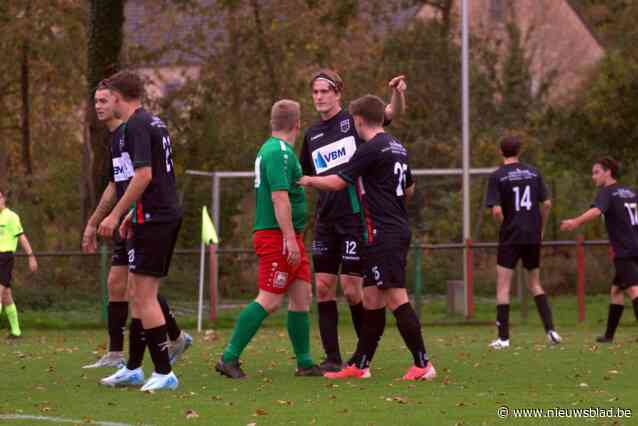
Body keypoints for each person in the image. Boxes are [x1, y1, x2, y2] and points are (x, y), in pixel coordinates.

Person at [298, 94, 436, 381]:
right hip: (388, 228)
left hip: (384, 232)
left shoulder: (371, 148)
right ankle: (360, 365)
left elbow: (337, 182)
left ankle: (423, 364)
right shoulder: (397, 145)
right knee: (372, 299)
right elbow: (409, 188)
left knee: (396, 299)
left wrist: (308, 180)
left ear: (359, 121)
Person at [81, 83, 191, 369]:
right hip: (134, 216)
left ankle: (160, 355)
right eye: (96, 100)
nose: (99, 105)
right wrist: (94, 222)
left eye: (105, 99)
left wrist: (118, 215)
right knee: (125, 285)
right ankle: (123, 359)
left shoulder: (134, 129)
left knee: (141, 290)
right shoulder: (119, 136)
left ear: (118, 99)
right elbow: (115, 184)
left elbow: (142, 177)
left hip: (145, 216)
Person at [216, 99, 322, 379]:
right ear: (298, 124)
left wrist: (293, 237)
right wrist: (288, 238)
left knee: (302, 297)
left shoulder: (279, 150)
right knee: (270, 300)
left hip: (290, 236)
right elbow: (279, 197)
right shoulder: (278, 152)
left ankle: (305, 362)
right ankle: (228, 358)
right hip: (278, 237)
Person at [485, 136, 561, 349]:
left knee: (503, 287)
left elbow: (497, 211)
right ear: (519, 151)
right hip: (532, 236)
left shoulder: (498, 176)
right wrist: (541, 228)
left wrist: (505, 224)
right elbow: (546, 204)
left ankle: (503, 338)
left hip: (511, 236)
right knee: (535, 283)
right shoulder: (534, 172)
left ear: (501, 152)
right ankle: (551, 331)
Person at [561, 157, 638, 343]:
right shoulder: (630, 192)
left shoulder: (607, 192)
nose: (593, 176)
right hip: (635, 245)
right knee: (617, 291)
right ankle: (609, 335)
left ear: (608, 172)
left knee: (634, 290)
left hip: (625, 251)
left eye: (596, 172)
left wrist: (575, 222)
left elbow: (596, 211)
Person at [0, 189, 37, 338]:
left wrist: (31, 256)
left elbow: (21, 237)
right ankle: (16, 332)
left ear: (3, 199)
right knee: (6, 295)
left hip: (5, 258)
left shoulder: (11, 217)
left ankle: (16, 331)